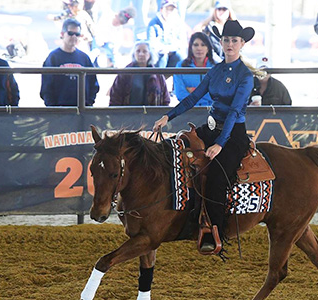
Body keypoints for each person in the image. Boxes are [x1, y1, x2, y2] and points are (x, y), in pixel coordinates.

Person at [153, 20, 260, 253]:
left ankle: (216, 232)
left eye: (234, 40)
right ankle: (182, 215)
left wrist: (220, 144)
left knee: (217, 178)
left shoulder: (245, 76)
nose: (230, 44)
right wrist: (167, 116)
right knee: (178, 150)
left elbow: (234, 111)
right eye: (226, 40)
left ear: (242, 44)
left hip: (233, 135)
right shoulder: (216, 70)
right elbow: (193, 99)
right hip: (211, 128)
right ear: (220, 42)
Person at [40, 18, 99, 106]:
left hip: (82, 110)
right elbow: (46, 87)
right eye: (71, 33)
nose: (74, 37)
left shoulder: (84, 58)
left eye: (77, 34)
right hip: (60, 111)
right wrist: (53, 108)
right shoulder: (53, 58)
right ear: (62, 34)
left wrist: (88, 103)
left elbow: (93, 84)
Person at [108, 41, 170, 105]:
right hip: (129, 113)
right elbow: (115, 98)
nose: (141, 54)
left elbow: (165, 99)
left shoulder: (158, 75)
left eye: (144, 51)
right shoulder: (125, 73)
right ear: (134, 54)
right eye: (138, 51)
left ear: (150, 54)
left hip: (152, 114)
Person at [173, 32, 216, 106]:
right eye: (195, 45)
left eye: (203, 45)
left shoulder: (217, 67)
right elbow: (180, 94)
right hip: (189, 111)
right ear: (191, 48)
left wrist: (194, 91)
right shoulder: (180, 66)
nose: (199, 48)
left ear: (208, 48)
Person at [146, 0, 187, 68]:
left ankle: (179, 78)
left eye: (172, 10)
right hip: (159, 53)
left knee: (181, 57)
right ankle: (158, 77)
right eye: (167, 9)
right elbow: (151, 43)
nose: (169, 12)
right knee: (162, 57)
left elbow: (182, 42)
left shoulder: (179, 23)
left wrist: (170, 49)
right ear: (162, 10)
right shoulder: (153, 23)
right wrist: (162, 49)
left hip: (174, 51)